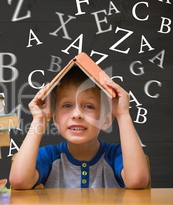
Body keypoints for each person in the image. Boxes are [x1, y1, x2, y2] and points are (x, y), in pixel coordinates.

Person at [9, 66, 150, 189]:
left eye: (89, 106)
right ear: (55, 118)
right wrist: (39, 120)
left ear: (106, 119)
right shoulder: (50, 156)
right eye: (67, 105)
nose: (77, 114)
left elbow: (137, 181)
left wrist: (123, 114)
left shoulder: (116, 155)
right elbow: (19, 181)